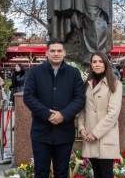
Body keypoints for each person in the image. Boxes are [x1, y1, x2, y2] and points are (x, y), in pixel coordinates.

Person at [23, 38, 85, 178]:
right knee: (41, 173)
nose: (56, 54)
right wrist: (47, 114)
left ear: (64, 53)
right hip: (41, 133)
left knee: (62, 173)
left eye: (59, 51)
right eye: (52, 51)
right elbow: (29, 96)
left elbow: (80, 98)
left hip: (64, 132)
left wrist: (63, 115)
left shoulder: (74, 73)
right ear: (46, 53)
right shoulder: (35, 72)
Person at [78, 52, 122, 178]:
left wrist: (95, 133)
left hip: (105, 136)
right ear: (91, 65)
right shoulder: (87, 84)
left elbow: (113, 114)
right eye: (94, 62)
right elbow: (83, 109)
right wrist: (81, 128)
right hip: (89, 136)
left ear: (106, 64)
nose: (97, 64)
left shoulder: (115, 84)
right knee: (97, 173)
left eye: (100, 61)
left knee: (106, 173)